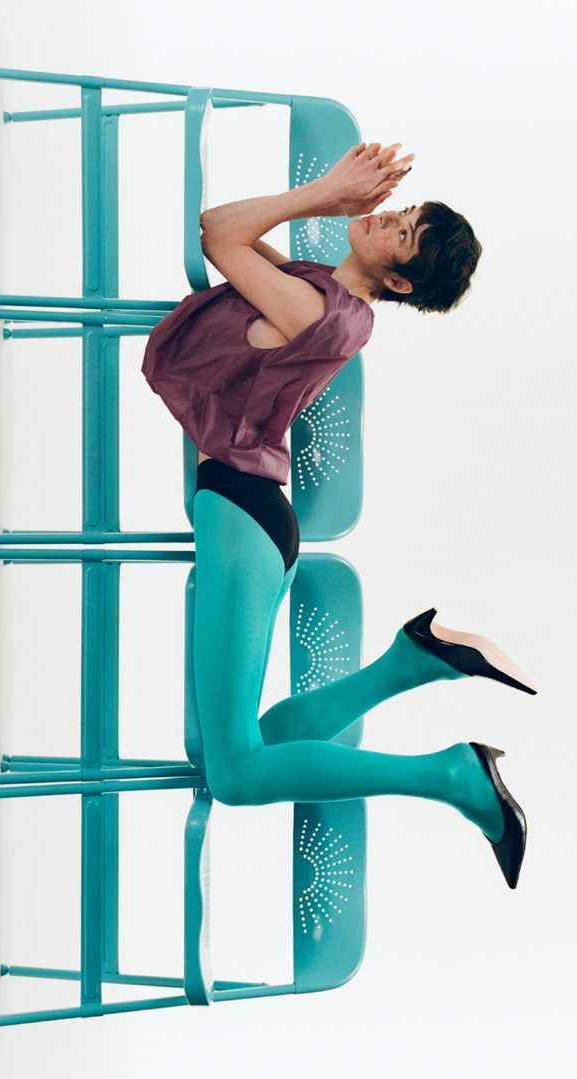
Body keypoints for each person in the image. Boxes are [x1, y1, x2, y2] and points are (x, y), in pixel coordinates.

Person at [142, 141, 535, 889]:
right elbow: (228, 229)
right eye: (405, 213)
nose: (388, 216)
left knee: (233, 771)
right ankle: (409, 660)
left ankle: (454, 776)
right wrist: (334, 202)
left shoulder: (319, 310)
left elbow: (216, 234)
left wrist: (326, 193)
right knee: (245, 749)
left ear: (396, 275)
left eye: (402, 231)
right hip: (247, 513)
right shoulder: (325, 292)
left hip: (237, 512)